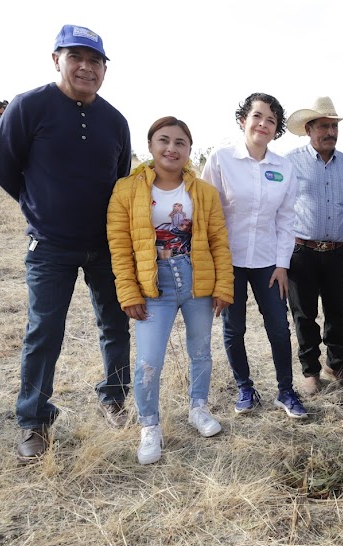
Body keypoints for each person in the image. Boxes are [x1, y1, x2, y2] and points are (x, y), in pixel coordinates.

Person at [0, 24, 132, 461]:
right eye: (76, 58)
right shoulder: (28, 107)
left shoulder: (115, 121)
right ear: (57, 60)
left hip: (105, 245)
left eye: (95, 61)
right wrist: (40, 208)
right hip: (50, 246)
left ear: (105, 69)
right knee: (44, 331)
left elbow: (121, 180)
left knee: (115, 324)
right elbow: (2, 167)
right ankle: (33, 421)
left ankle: (114, 397)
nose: (86, 68)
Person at [107, 117, 234, 465]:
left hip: (197, 281)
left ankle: (198, 408)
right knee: (149, 360)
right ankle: (150, 426)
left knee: (201, 351)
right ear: (150, 146)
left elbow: (219, 242)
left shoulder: (204, 193)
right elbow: (119, 246)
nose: (171, 148)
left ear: (189, 150)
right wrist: (129, 292)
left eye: (180, 143)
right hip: (153, 283)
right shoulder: (127, 189)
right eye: (164, 140)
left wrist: (223, 286)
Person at [201, 93, 307, 419]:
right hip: (228, 261)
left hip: (268, 263)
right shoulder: (221, 161)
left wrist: (282, 265)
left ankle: (286, 391)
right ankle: (245, 388)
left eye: (271, 120)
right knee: (234, 329)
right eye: (257, 116)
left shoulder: (283, 168)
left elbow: (286, 219)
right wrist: (215, 265)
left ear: (276, 130)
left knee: (278, 326)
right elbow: (208, 214)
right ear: (242, 120)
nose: (263, 124)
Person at [285, 97, 343, 397]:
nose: (330, 132)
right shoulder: (291, 163)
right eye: (323, 126)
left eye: (334, 126)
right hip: (301, 251)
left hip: (335, 252)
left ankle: (337, 365)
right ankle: (310, 371)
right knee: (304, 314)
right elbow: (279, 208)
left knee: (337, 311)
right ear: (308, 129)